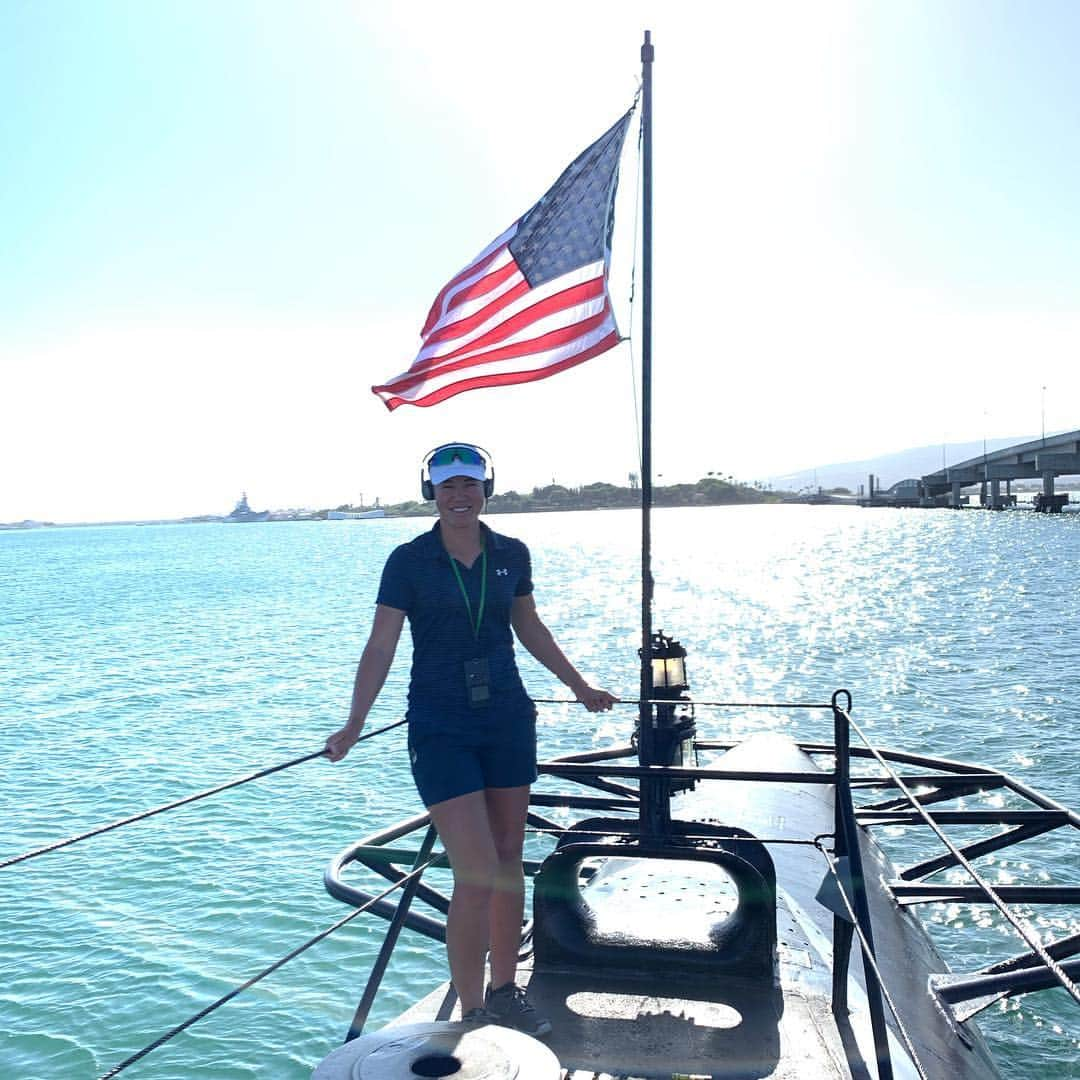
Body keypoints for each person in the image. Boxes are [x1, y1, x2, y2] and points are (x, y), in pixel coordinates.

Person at [325, 442, 616, 1037]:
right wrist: (354, 723)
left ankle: (506, 992)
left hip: (507, 716)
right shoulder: (408, 560)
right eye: (447, 486)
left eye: (470, 484)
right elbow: (381, 644)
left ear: (487, 488)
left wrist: (581, 685)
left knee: (509, 859)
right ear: (431, 491)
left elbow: (527, 623)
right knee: (477, 868)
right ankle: (472, 1009)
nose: (460, 495)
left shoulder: (511, 553)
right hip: (439, 725)